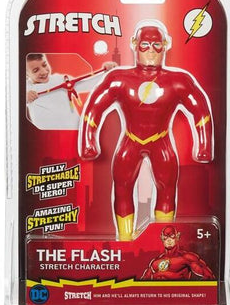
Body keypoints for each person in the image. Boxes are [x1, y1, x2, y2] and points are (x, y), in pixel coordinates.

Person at [79, 20, 213, 240]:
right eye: (145, 45)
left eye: (156, 45)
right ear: (134, 44)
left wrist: (205, 145)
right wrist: (88, 141)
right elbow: (94, 107)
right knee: (122, 188)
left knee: (166, 188)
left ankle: (161, 240)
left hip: (161, 142)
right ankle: (125, 239)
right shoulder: (118, 79)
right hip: (130, 142)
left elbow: (200, 110)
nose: (151, 51)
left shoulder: (178, 81)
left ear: (165, 45)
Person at [26, 53, 116, 130]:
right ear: (26, 74)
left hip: (72, 129)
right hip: (47, 135)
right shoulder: (26, 88)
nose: (43, 71)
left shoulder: (60, 79)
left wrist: (107, 72)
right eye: (35, 70)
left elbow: (87, 84)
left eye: (44, 65)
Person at [141, 225, 214, 280]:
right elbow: (142, 283)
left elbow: (209, 276)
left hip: (179, 294)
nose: (169, 240)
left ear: (177, 236)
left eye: (172, 236)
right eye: (166, 237)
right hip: (159, 294)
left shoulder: (186, 258)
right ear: (162, 238)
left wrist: (196, 292)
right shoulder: (155, 262)